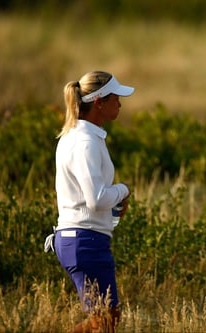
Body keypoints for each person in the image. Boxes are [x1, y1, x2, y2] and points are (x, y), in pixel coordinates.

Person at [53, 70, 133, 333]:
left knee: (107, 318)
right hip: (84, 240)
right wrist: (123, 190)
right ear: (99, 102)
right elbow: (96, 198)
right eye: (115, 98)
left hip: (81, 239)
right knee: (106, 320)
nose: (120, 103)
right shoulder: (85, 141)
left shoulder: (78, 136)